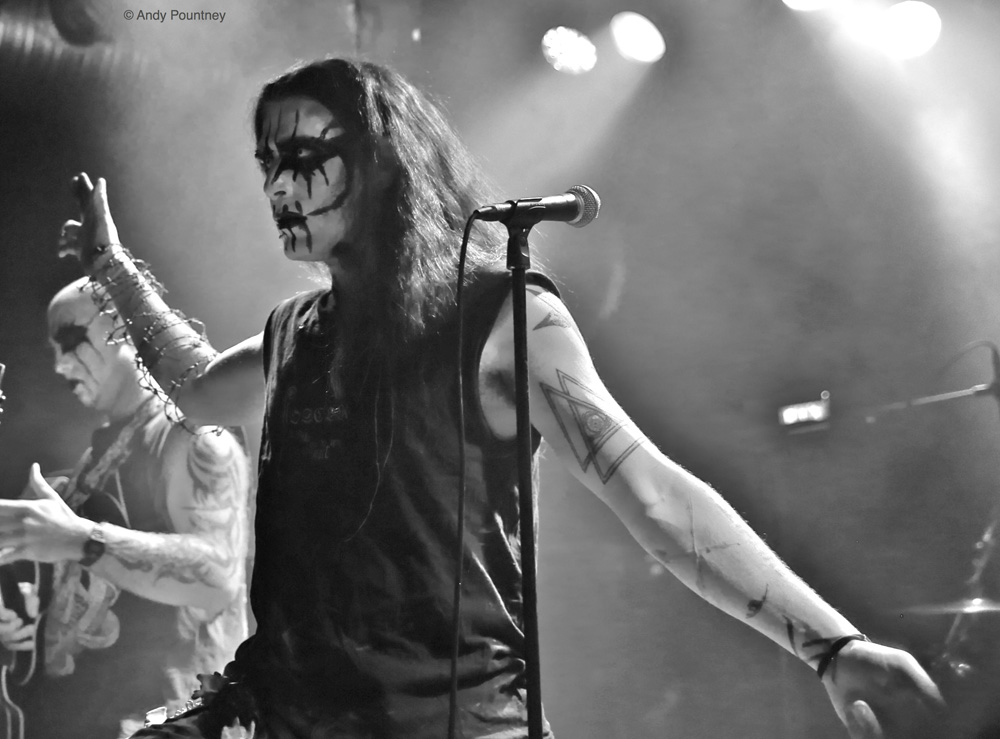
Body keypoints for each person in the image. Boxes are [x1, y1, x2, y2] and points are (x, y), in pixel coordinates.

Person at [61, 57, 945, 739]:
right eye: (268, 164)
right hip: (288, 714)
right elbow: (198, 387)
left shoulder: (498, 319)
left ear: (379, 165)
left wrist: (831, 644)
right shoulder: (296, 332)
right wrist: (114, 270)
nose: (278, 188)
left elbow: (653, 493)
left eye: (302, 159)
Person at [0, 277, 252, 738]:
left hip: (176, 722)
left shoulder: (192, 435)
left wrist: (79, 540)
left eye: (72, 341)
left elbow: (219, 575)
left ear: (127, 331)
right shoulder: (92, 462)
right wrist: (15, 622)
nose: (59, 365)